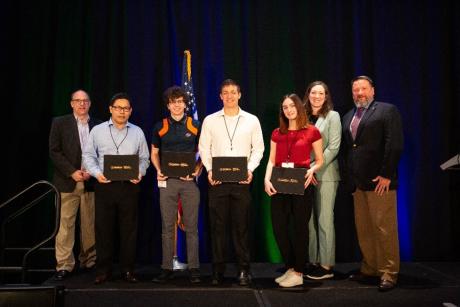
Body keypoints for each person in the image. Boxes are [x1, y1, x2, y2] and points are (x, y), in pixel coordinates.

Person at [198, 79, 264, 286]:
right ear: (220, 96)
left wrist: (250, 170)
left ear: (240, 95)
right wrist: (209, 170)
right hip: (217, 182)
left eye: (233, 92)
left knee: (241, 227)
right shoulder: (210, 120)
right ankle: (218, 271)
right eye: (225, 93)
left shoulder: (252, 120)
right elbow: (204, 148)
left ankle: (244, 270)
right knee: (218, 228)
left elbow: (259, 149)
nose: (229, 96)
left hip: (242, 182)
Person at [342, 76, 403, 292]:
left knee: (384, 228)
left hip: (380, 182)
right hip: (358, 183)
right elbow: (353, 148)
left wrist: (386, 174)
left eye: (364, 89)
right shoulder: (349, 116)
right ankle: (370, 268)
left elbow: (394, 144)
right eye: (356, 90)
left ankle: (388, 272)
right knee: (365, 228)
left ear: (373, 91)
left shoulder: (387, 111)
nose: (360, 93)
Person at [83, 92, 150, 284]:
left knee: (129, 231)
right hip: (105, 186)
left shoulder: (137, 132)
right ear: (110, 109)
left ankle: (128, 270)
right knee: (104, 229)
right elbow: (88, 156)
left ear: (130, 111)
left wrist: (140, 172)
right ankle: (103, 270)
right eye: (118, 108)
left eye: (126, 108)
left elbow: (144, 158)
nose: (122, 111)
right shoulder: (97, 130)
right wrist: (96, 173)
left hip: (129, 187)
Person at [264, 94, 323, 288]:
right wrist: (266, 179)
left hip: (301, 184)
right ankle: (290, 267)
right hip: (279, 183)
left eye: (291, 106)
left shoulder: (312, 131)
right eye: (285, 107)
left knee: (299, 229)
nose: (288, 110)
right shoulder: (276, 133)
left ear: (299, 107)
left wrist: (312, 170)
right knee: (279, 227)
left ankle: (299, 271)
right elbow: (272, 160)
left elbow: (320, 160)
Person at [151, 86, 202, 284]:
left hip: (189, 184)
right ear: (168, 105)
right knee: (167, 227)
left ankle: (194, 268)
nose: (177, 105)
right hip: (167, 182)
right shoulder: (160, 126)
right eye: (173, 102)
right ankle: (166, 268)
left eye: (180, 101)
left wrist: (197, 171)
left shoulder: (195, 125)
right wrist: (158, 170)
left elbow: (204, 152)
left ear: (185, 104)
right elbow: (154, 152)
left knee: (191, 227)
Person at [49, 89, 102, 280]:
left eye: (85, 101)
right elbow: (54, 151)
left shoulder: (98, 125)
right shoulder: (60, 123)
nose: (81, 104)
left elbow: (103, 152)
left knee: (90, 225)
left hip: (91, 182)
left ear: (89, 103)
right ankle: (64, 265)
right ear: (71, 103)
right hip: (67, 182)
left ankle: (89, 261)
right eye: (77, 101)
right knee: (65, 225)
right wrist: (72, 172)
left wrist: (93, 171)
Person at [303, 81, 341, 280]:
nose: (317, 96)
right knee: (309, 221)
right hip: (304, 177)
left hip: (325, 175)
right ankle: (313, 260)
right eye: (313, 93)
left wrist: (315, 167)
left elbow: (333, 147)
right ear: (308, 95)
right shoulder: (303, 117)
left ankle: (326, 265)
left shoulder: (332, 116)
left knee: (324, 219)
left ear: (326, 96)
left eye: (321, 93)